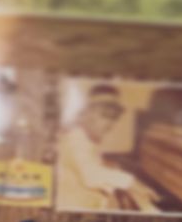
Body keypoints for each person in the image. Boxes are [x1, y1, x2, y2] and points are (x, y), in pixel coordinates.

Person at [56, 83, 159, 213]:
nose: (110, 123)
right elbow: (91, 175)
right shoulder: (75, 137)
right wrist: (131, 182)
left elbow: (89, 164)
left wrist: (115, 172)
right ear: (88, 113)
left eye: (114, 117)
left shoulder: (86, 136)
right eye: (104, 115)